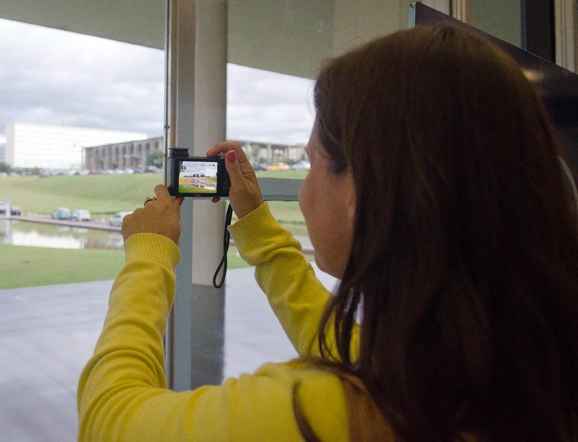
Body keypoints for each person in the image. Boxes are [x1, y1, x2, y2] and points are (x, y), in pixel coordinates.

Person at [77, 24, 578, 441]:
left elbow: (110, 420)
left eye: (315, 162)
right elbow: (345, 347)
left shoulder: (327, 413)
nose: (302, 191)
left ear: (361, 199)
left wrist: (149, 254)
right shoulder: (497, 373)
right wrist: (254, 222)